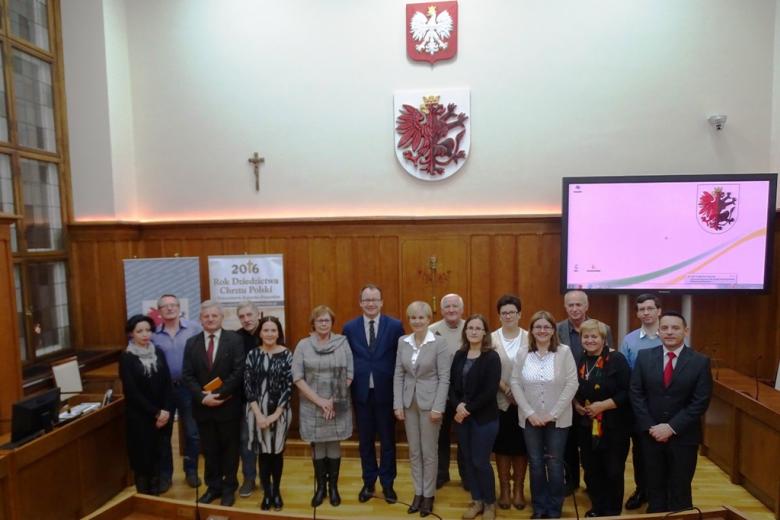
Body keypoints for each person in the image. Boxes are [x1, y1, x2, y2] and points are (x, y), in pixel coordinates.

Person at [629, 311, 713, 513]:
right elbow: (636, 393)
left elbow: (700, 402)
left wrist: (671, 427)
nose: (669, 332)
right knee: (654, 487)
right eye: (664, 328)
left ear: (686, 331)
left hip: (683, 437)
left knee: (680, 488)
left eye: (675, 328)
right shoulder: (645, 357)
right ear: (658, 331)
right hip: (651, 436)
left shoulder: (700, 362)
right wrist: (652, 426)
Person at [511, 310, 578, 519]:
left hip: (558, 420)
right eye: (537, 327)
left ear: (553, 330)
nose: (542, 330)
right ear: (531, 330)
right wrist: (530, 413)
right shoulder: (523, 353)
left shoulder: (564, 352)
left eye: (546, 327)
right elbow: (515, 383)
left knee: (555, 464)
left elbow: (572, 383)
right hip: (530, 420)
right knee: (537, 464)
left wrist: (552, 413)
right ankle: (539, 507)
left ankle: (554, 508)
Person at [342, 284, 405, 503]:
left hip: (386, 394)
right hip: (361, 395)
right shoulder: (349, 328)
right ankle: (369, 482)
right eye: (366, 300)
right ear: (360, 303)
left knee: (388, 442)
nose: (371, 303)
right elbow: (346, 360)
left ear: (381, 302)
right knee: (365, 442)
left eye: (374, 299)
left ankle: (388, 484)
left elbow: (401, 359)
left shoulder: (395, 326)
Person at [182, 300, 246, 507]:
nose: (210, 319)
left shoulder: (234, 340)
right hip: (203, 408)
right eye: (206, 316)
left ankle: (229, 489)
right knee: (209, 450)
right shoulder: (191, 343)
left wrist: (218, 395)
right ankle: (213, 487)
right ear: (200, 319)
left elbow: (238, 372)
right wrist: (203, 398)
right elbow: (187, 375)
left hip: (228, 406)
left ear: (221, 317)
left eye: (214, 316)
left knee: (230, 450)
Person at [292, 305, 353, 508]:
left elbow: (350, 373)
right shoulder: (303, 345)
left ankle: (333, 487)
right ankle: (321, 488)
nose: (323, 324)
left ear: (332, 323)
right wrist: (320, 401)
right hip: (312, 403)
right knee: (318, 443)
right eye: (320, 320)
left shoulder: (342, 343)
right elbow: (298, 377)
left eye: (327, 320)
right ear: (313, 323)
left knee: (334, 443)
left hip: (338, 401)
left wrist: (332, 401)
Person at [394, 301, 451, 518]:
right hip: (409, 403)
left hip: (431, 405)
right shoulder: (403, 341)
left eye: (421, 317)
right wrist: (397, 404)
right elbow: (398, 374)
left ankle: (429, 495)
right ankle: (417, 493)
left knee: (429, 452)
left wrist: (439, 407)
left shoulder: (439, 343)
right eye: (413, 317)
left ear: (429, 319)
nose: (417, 321)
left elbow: (444, 377)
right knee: (414, 451)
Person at [555, 290, 613, 494]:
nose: (574, 308)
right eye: (570, 305)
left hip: (596, 401)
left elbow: (608, 361)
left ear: (587, 306)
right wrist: (573, 402)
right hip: (567, 398)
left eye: (578, 304)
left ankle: (593, 482)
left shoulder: (603, 328)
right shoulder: (557, 329)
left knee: (593, 445)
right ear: (565, 307)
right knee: (568, 443)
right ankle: (570, 482)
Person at [573, 319, 631, 517]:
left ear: (603, 339)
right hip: (587, 424)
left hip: (613, 425)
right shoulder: (581, 359)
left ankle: (613, 510)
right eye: (586, 336)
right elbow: (577, 389)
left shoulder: (617, 359)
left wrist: (602, 406)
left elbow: (626, 392)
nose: (590, 340)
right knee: (591, 468)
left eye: (594, 336)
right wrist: (577, 405)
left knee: (613, 469)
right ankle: (597, 506)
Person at [450, 314, 501, 520]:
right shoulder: (459, 355)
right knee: (469, 461)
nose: (473, 331)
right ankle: (476, 500)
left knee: (481, 461)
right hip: (463, 418)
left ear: (484, 333)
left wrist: (466, 408)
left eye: (478, 328)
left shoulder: (491, 357)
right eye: (470, 328)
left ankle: (489, 503)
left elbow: (489, 391)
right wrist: (458, 406)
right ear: (465, 332)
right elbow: (451, 387)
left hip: (484, 418)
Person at [151, 294, 202, 491]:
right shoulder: (154, 335)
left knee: (192, 432)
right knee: (164, 434)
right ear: (159, 311)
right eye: (165, 306)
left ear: (179, 308)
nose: (170, 309)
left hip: (188, 388)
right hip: (164, 390)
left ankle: (191, 471)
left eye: (173, 305)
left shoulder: (194, 329)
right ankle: (166, 476)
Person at [120, 314, 173, 495]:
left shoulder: (158, 352)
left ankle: (156, 496)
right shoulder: (127, 358)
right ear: (131, 334)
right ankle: (144, 497)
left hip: (163, 415)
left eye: (148, 330)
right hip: (140, 418)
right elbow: (132, 392)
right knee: (143, 460)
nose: (145, 334)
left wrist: (165, 411)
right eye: (139, 331)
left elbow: (167, 383)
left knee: (159, 456)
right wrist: (156, 413)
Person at [244, 316, 293, 511]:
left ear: (279, 333)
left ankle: (277, 491)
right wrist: (259, 415)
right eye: (266, 330)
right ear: (260, 333)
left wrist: (275, 415)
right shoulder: (252, 354)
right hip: (256, 412)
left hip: (281, 412)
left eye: (274, 330)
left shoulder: (288, 354)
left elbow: (289, 387)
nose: (270, 334)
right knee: (263, 454)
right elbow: (248, 387)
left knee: (277, 453)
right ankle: (267, 493)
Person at [619, 293, 663, 511]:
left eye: (649, 308)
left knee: (662, 452)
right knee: (640, 451)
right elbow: (624, 374)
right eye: (641, 309)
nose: (645, 313)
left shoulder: (669, 335)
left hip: (665, 405)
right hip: (637, 405)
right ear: (637, 313)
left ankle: (661, 494)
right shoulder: (630, 340)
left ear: (658, 311)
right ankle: (642, 490)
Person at [490, 294, 529, 510]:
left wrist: (519, 393)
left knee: (522, 447)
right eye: (504, 313)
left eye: (512, 312)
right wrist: (506, 389)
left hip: (525, 403)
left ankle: (519, 490)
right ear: (499, 316)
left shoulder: (530, 337)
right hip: (499, 401)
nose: (508, 316)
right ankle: (504, 489)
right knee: (503, 447)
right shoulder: (491, 338)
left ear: (519, 314)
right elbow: (487, 369)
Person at [428, 293, 466, 489]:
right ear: (441, 310)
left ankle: (466, 477)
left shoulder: (471, 328)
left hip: (463, 394)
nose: (451, 310)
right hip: (439, 393)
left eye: (455, 306)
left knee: (464, 436)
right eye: (447, 307)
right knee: (440, 436)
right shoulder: (431, 331)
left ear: (461, 309)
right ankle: (441, 474)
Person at [235, 301, 262, 498]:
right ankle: (249, 478)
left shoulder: (271, 329)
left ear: (258, 314)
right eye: (242, 316)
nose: (246, 319)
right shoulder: (235, 338)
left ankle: (269, 480)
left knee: (269, 441)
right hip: (245, 399)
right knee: (246, 440)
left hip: (270, 399)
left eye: (249, 315)